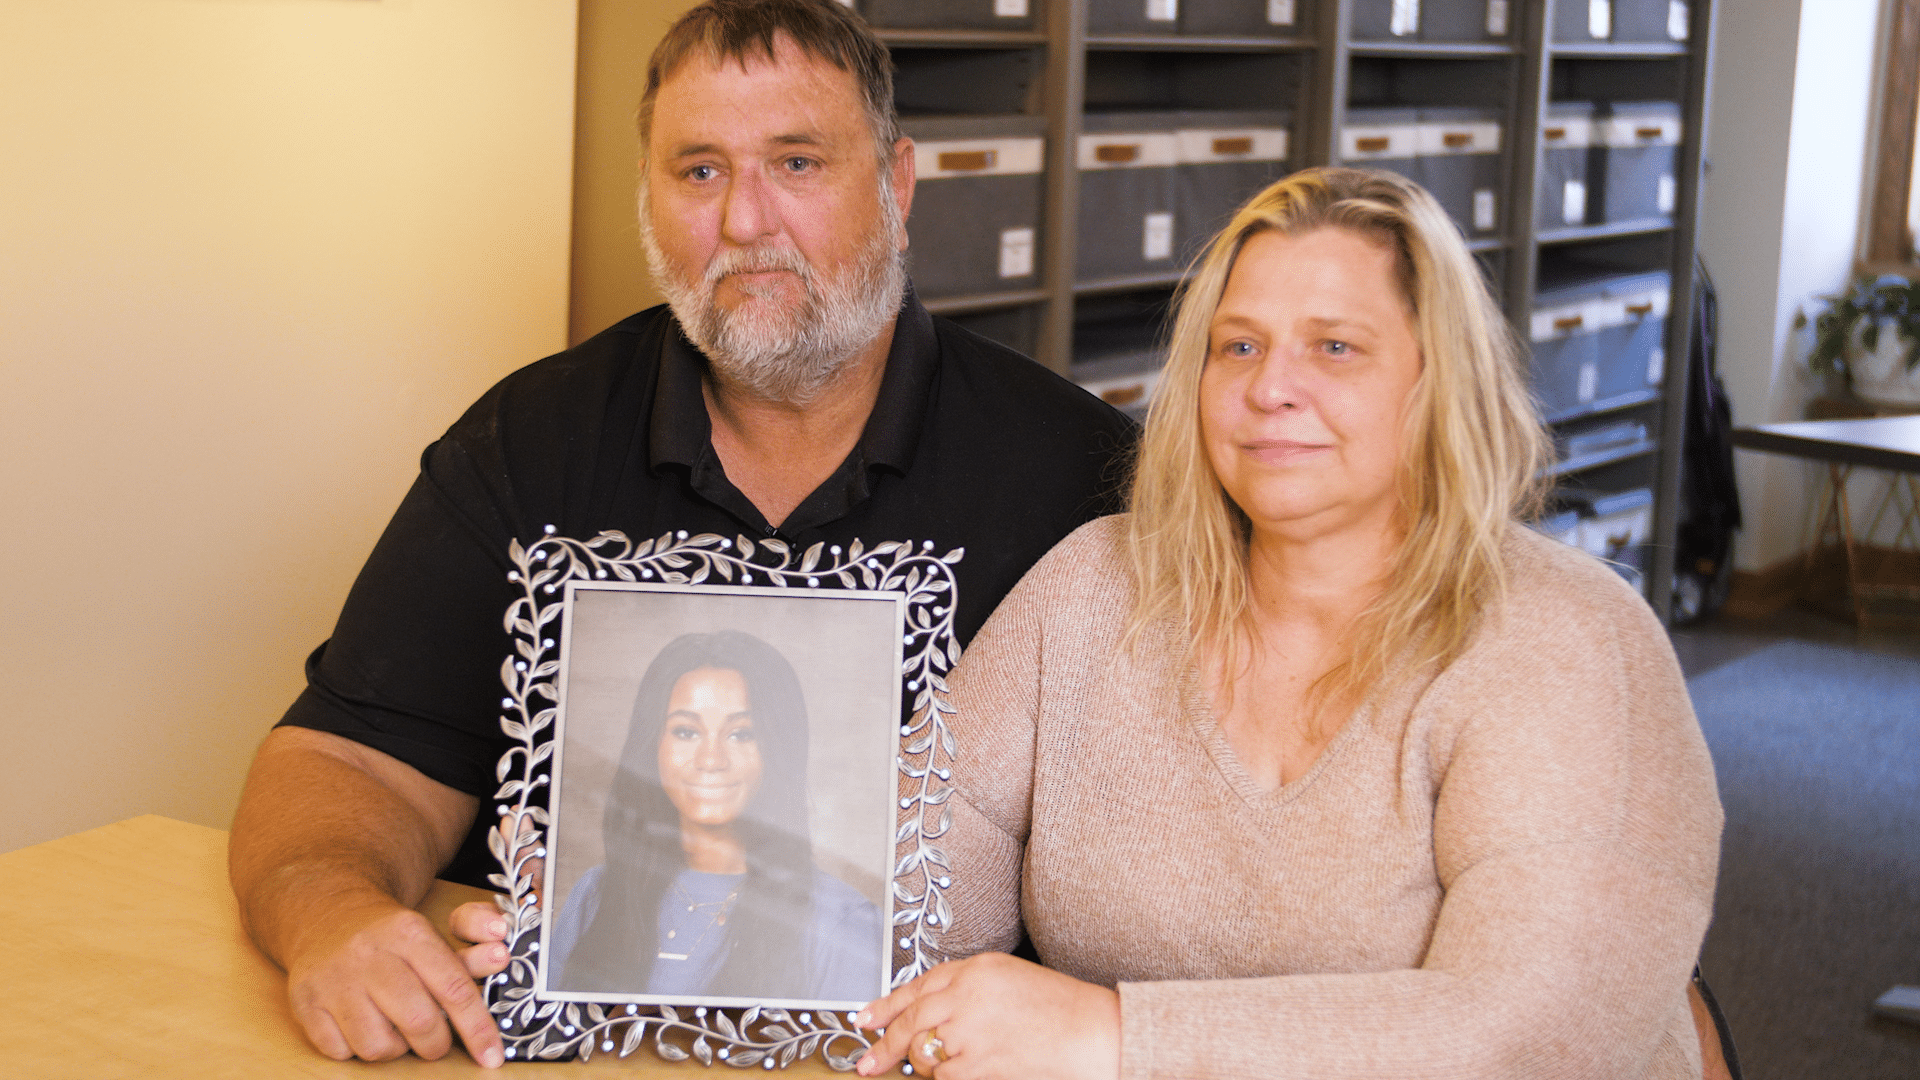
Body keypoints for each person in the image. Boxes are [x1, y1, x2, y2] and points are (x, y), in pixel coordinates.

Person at [226, 0, 1132, 1068]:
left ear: (895, 185)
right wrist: (328, 913)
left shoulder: (1082, 479)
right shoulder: (528, 441)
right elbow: (353, 757)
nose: (746, 220)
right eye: (699, 171)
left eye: (796, 163)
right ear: (648, 200)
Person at [855, 167, 1726, 1079]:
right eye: (1239, 347)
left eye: (1335, 348)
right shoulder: (1093, 583)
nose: (1273, 387)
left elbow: (1537, 1038)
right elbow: (908, 893)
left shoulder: (1566, 641)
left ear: (1437, 381)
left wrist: (1112, 1036)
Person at [547, 630, 881, 1002]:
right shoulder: (595, 894)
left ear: (778, 751)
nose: (711, 760)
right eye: (686, 731)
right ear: (653, 745)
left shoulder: (844, 923)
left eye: (741, 734)